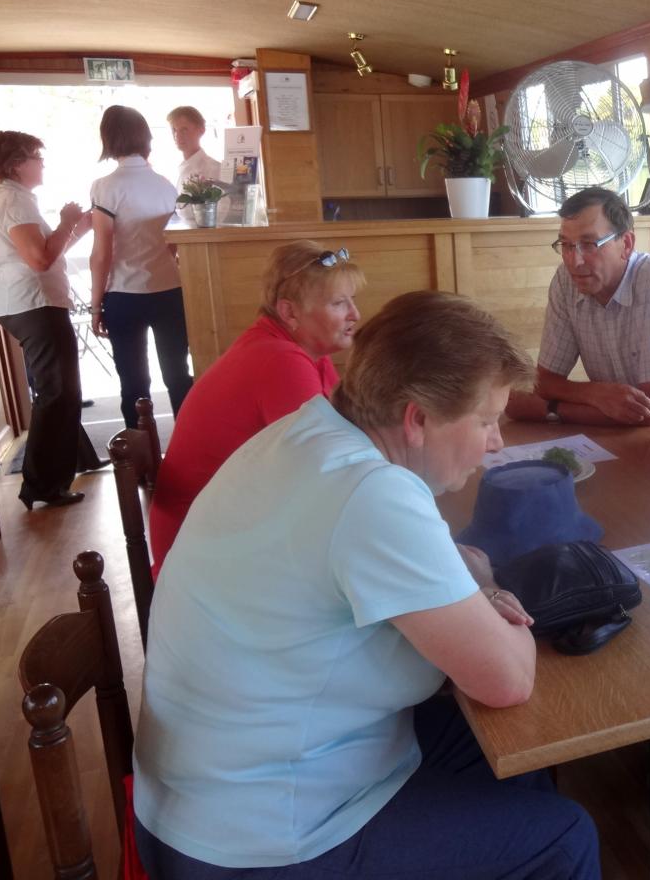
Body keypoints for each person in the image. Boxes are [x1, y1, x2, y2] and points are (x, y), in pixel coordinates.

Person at [133, 290, 600, 879]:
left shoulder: (311, 433)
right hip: (261, 843)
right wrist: (493, 603)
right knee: (564, 837)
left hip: (206, 796)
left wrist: (470, 586)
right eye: (485, 420)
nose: (496, 441)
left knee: (508, 761)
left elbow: (401, 559)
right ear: (417, 419)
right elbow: (509, 679)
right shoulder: (372, 494)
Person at [147, 240, 365, 573]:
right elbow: (328, 464)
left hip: (232, 530)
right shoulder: (281, 361)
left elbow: (347, 430)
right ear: (289, 312)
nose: (355, 314)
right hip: (202, 560)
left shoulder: (304, 351)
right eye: (339, 303)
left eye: (352, 300)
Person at [505, 187, 650, 426]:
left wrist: (550, 410)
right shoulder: (566, 280)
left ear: (626, 244)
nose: (575, 261)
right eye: (566, 245)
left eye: (589, 244)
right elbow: (545, 382)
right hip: (614, 436)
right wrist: (595, 394)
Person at [0, 131, 92, 509]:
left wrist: (74, 228)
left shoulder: (13, 198)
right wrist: (67, 221)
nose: (42, 163)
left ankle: (68, 466)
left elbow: (47, 254)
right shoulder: (13, 200)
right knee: (57, 393)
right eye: (36, 157)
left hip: (31, 302)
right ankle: (41, 485)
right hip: (33, 304)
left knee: (60, 390)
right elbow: (40, 260)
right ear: (14, 164)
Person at [89, 104, 193, 428]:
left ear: (108, 139)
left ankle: (143, 464)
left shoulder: (105, 186)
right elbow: (175, 244)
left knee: (134, 383)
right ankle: (191, 449)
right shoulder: (164, 184)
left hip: (124, 294)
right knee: (178, 375)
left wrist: (95, 307)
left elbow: (101, 253)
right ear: (145, 138)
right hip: (170, 289)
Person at [167, 105, 222, 227]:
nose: (177, 135)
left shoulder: (213, 169)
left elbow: (219, 217)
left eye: (184, 129)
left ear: (201, 130)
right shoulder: (180, 171)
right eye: (174, 130)